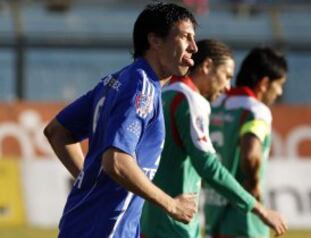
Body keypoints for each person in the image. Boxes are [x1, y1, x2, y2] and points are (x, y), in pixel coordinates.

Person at [43, 3, 199, 238]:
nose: (194, 47)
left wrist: (90, 182)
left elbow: (57, 131)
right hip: (105, 229)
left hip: (85, 224)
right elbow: (116, 161)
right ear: (155, 40)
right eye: (186, 37)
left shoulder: (116, 81)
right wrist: (171, 205)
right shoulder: (142, 87)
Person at [140, 40, 287, 238]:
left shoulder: (162, 93)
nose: (227, 87)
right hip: (176, 224)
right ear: (207, 66)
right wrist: (257, 207)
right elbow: (209, 165)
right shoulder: (192, 100)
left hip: (148, 220)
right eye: (226, 76)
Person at [204, 47, 288, 238]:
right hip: (244, 220)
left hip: (212, 213)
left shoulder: (213, 105)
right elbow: (250, 153)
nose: (280, 91)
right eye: (280, 84)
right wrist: (254, 185)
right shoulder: (256, 111)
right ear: (265, 83)